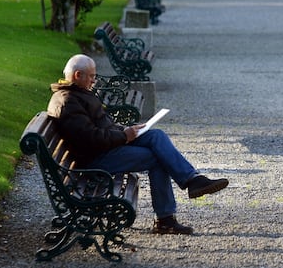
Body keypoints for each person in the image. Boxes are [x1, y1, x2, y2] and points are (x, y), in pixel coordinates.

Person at [47, 54, 229, 235]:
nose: (94, 81)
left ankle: (192, 180)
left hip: (106, 148)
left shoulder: (77, 94)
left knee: (155, 135)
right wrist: (124, 136)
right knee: (157, 158)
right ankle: (166, 219)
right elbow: (90, 139)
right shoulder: (68, 101)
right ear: (78, 75)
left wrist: (127, 130)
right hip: (94, 160)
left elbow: (100, 127)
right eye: (92, 77)